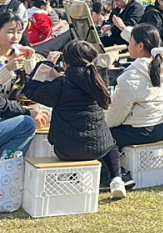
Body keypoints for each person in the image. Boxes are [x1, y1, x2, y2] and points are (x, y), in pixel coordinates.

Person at [24, 41, 128, 199]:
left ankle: (74, 181)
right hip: (98, 148)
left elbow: (31, 90)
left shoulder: (61, 85)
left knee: (80, 141)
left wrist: (47, 64)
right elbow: (97, 69)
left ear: (65, 64)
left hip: (66, 150)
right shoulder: (99, 80)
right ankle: (117, 179)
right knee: (111, 145)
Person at [106, 24, 163, 155]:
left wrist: (104, 125)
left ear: (140, 46)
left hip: (141, 130)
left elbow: (116, 113)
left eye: (130, 42)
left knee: (101, 137)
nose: (128, 45)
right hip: (162, 125)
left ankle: (113, 174)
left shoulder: (131, 77)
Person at [0, 12, 46, 155]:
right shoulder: (8, 63)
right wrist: (8, 69)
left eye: (19, 32)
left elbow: (34, 91)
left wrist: (29, 63)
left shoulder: (16, 56)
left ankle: (7, 168)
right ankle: (6, 169)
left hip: (5, 115)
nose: (16, 37)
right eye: (10, 32)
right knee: (27, 124)